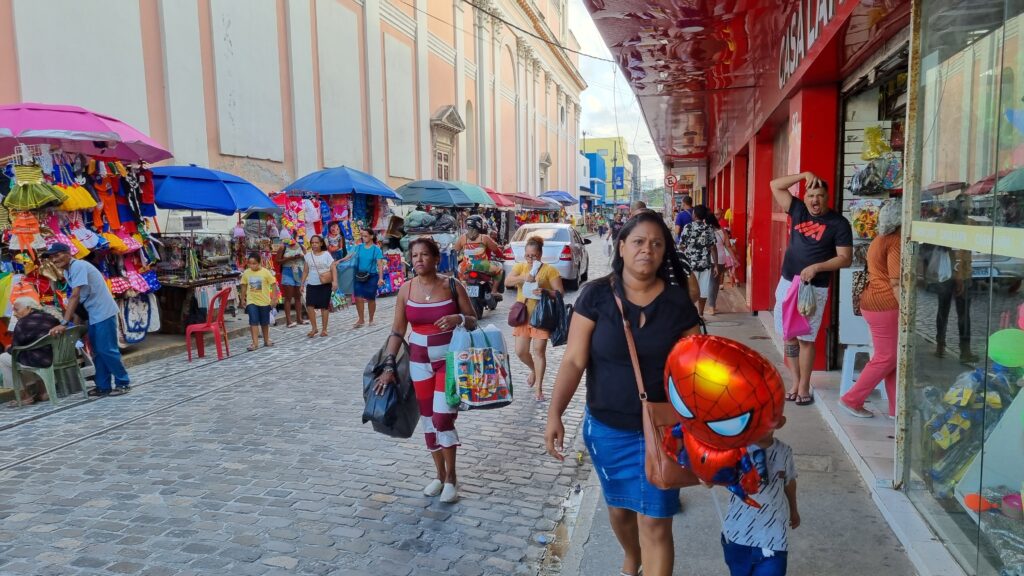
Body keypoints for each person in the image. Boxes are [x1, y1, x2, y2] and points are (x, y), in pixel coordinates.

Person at [545, 211, 702, 576]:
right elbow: (573, 361)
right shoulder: (596, 296)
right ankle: (632, 555)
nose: (647, 249)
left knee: (657, 522)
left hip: (664, 430)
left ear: (665, 254)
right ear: (622, 246)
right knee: (620, 509)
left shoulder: (678, 303)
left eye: (657, 243)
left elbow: (696, 367)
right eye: (639, 241)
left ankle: (642, 562)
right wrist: (554, 414)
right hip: (608, 429)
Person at [375, 237, 478, 504]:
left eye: (424, 255)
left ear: (435, 258)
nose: (419, 259)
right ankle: (440, 475)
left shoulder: (453, 285)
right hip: (419, 362)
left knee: (443, 419)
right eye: (415, 255)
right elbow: (398, 331)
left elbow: (473, 320)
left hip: (449, 362)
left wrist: (459, 318)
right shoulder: (406, 290)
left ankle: (452, 479)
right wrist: (388, 365)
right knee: (429, 421)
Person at [770, 172, 853, 406]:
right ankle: (795, 381)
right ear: (805, 198)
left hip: (813, 288)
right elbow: (775, 184)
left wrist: (817, 267)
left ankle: (805, 385)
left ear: (828, 198)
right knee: (789, 336)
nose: (815, 200)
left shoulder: (838, 224)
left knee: (806, 338)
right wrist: (805, 175)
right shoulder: (798, 210)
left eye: (820, 195)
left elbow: (845, 258)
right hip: (788, 283)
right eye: (811, 195)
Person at [841, 200, 902, 418]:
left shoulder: (879, 238)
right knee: (887, 356)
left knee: (893, 358)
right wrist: (907, 312)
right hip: (886, 304)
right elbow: (896, 281)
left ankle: (896, 409)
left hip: (873, 302)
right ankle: (852, 399)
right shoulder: (895, 241)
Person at [44, 243, 131, 397]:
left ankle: (123, 382)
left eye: (57, 255)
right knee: (97, 351)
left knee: (107, 349)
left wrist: (64, 322)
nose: (54, 259)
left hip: (103, 311)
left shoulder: (78, 266)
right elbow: (80, 299)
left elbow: (76, 296)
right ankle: (103, 386)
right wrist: (75, 324)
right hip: (93, 314)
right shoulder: (67, 271)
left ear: (68, 253)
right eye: (52, 257)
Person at [720, 424, 800, 576]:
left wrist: (794, 510)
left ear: (779, 422)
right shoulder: (735, 451)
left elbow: (789, 482)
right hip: (738, 534)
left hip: (774, 537)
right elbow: (714, 475)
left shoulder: (784, 452)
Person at [505, 236, 565, 401]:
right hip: (523, 315)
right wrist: (524, 278)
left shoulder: (549, 270)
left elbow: (560, 292)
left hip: (542, 317)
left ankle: (539, 387)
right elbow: (507, 281)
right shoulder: (520, 267)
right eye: (528, 256)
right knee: (520, 351)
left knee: (538, 351)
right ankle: (533, 370)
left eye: (534, 256)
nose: (531, 259)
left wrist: (545, 292)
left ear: (540, 254)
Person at [3, 297, 60, 406]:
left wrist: (8, 348)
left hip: (38, 359)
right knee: (29, 354)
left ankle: (25, 396)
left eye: (17, 310)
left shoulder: (22, 323)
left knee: (4, 359)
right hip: (52, 356)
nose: (14, 313)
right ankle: (43, 392)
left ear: (29, 308)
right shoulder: (50, 317)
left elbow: (15, 349)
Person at [453, 215, 504, 302]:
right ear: (480, 225)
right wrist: (503, 256)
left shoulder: (462, 238)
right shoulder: (484, 238)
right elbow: (496, 250)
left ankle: (460, 291)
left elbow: (454, 250)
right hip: (483, 266)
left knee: (459, 276)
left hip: (465, 267)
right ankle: (494, 291)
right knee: (499, 269)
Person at [341, 228, 385, 328]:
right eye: (362, 236)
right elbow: (349, 256)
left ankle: (371, 319)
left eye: (365, 236)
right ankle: (361, 319)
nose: (363, 238)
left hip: (372, 276)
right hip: (359, 276)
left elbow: (380, 265)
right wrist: (339, 261)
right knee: (358, 297)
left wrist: (380, 278)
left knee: (370, 298)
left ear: (371, 236)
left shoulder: (376, 249)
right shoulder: (358, 247)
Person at [679, 205, 718, 317]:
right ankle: (700, 314)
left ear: (695, 215)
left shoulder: (688, 227)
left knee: (690, 289)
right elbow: (713, 247)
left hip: (690, 265)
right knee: (704, 290)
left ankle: (690, 313)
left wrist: (679, 259)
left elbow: (682, 246)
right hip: (705, 263)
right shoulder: (709, 228)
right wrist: (715, 265)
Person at [301, 235, 338, 338]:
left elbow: (333, 268)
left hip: (324, 284)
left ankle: (324, 329)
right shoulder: (308, 256)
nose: (314, 245)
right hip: (311, 284)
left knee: (324, 307)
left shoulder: (326, 255)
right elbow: (305, 271)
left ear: (321, 243)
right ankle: (314, 328)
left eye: (316, 243)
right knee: (309, 306)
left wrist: (335, 281)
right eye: (312, 243)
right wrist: (302, 284)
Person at [239, 253, 277, 351]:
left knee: (265, 322)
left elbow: (273, 284)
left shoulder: (266, 272)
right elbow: (243, 286)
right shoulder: (246, 273)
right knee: (253, 321)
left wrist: (274, 298)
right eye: (250, 264)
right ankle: (255, 343)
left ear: (260, 263)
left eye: (254, 263)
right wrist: (242, 298)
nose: (252, 266)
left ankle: (266, 339)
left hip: (264, 301)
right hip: (251, 301)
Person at [277, 236, 306, 327]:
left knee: (298, 296)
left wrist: (302, 256)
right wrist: (289, 258)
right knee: (288, 297)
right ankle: (289, 321)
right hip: (288, 272)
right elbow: (277, 261)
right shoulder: (283, 247)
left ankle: (299, 319)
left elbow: (307, 259)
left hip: (299, 272)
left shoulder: (302, 246)